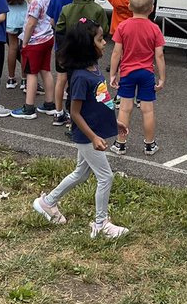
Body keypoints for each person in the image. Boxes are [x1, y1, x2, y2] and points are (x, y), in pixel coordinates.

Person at [31, 20, 130, 239]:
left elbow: (101, 101)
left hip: (93, 133)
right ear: (87, 45)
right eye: (100, 39)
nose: (106, 42)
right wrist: (93, 137)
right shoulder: (80, 78)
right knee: (106, 177)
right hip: (87, 136)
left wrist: (115, 122)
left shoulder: (93, 69)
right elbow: (75, 113)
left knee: (81, 174)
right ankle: (101, 223)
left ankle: (47, 202)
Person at [109, 0, 166, 156]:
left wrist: (113, 73)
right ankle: (149, 144)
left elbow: (116, 52)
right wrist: (162, 77)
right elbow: (160, 56)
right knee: (147, 110)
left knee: (125, 109)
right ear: (151, 8)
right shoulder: (154, 28)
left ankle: (120, 143)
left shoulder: (123, 26)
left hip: (127, 72)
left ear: (129, 6)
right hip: (146, 73)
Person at [12, 0, 58, 119]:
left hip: (34, 41)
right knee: (46, 70)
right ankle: (50, 103)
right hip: (47, 38)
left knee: (31, 73)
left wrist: (24, 42)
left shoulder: (36, 1)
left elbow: (31, 23)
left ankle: (29, 107)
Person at [47, 0, 82, 128]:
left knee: (61, 78)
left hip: (60, 44)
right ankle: (72, 113)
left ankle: (58, 112)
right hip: (76, 44)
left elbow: (52, 21)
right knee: (74, 79)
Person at [3, 0, 30, 90]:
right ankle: (25, 79)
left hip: (10, 17)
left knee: (12, 47)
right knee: (24, 48)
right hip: (25, 17)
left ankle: (11, 78)